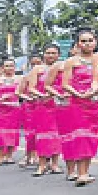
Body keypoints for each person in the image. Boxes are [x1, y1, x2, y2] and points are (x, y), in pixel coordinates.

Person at [62, 29, 98, 186]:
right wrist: (78, 94)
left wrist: (95, 91)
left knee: (92, 137)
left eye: (90, 40)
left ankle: (85, 170)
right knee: (81, 137)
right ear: (78, 44)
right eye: (83, 41)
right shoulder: (71, 62)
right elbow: (65, 84)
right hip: (78, 103)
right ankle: (81, 173)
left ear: (95, 42)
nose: (87, 44)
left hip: (96, 102)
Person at [25, 45, 63, 176]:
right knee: (42, 135)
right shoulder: (37, 69)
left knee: (56, 135)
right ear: (44, 54)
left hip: (59, 105)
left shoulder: (63, 67)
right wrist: (41, 95)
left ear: (58, 55)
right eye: (48, 53)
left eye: (54, 53)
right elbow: (31, 88)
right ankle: (42, 164)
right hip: (42, 106)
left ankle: (55, 164)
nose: (51, 55)